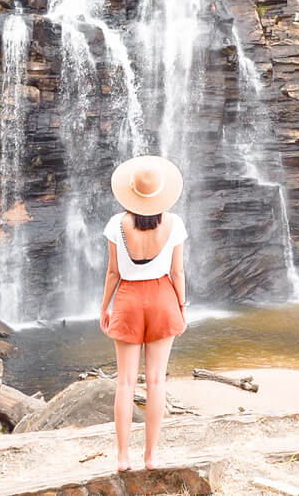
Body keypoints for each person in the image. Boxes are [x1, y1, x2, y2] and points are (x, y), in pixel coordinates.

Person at [99, 154, 189, 472]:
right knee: (155, 381)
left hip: (127, 300)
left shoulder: (116, 224)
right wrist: (181, 305)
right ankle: (151, 456)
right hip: (163, 297)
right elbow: (177, 272)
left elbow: (113, 272)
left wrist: (105, 306)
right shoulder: (175, 224)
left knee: (125, 383)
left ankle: (123, 457)